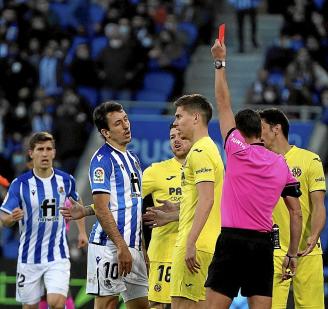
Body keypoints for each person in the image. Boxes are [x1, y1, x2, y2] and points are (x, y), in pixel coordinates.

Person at [205, 38, 302, 308]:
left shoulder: (237, 150)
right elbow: (296, 211)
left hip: (232, 241)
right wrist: (292, 253)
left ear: (239, 131)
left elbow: (223, 103)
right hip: (262, 245)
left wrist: (220, 61)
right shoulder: (282, 164)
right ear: (260, 132)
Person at [0, 132, 88, 309]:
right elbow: (3, 218)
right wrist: (11, 219)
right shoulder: (20, 184)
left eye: (49, 149)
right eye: (40, 149)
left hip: (58, 256)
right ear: (32, 154)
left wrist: (82, 232)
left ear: (54, 153)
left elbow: (78, 204)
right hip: (29, 258)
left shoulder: (66, 180)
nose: (45, 153)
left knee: (57, 302)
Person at [259, 108, 326, 309]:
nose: (257, 133)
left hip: (307, 251)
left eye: (261, 128)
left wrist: (314, 235)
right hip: (273, 250)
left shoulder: (310, 160)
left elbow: (318, 205)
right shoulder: (259, 163)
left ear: (276, 129)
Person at [84, 101, 148, 309]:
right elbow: (102, 208)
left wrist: (143, 248)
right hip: (110, 246)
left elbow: (134, 206)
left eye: (126, 120)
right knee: (107, 304)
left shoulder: (133, 159)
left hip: (134, 245)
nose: (126, 126)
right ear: (106, 132)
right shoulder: (102, 160)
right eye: (118, 123)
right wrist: (121, 247)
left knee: (141, 305)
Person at [168, 94, 224, 309]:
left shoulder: (199, 152)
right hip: (208, 242)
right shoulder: (211, 148)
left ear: (196, 118)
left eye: (179, 116)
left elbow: (207, 199)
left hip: (194, 244)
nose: (176, 122)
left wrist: (190, 242)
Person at [142, 124, 191, 309]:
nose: (176, 140)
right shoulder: (155, 172)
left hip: (194, 252)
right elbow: (126, 198)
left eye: (181, 136)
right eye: (172, 137)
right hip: (163, 252)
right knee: (156, 305)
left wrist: (174, 215)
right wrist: (91, 209)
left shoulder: (206, 172)